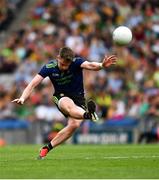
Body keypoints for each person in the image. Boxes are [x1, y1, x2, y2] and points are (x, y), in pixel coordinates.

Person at [12, 46, 117, 159]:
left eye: (67, 65)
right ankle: (88, 115)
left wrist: (101, 65)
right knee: (69, 106)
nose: (64, 67)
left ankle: (46, 148)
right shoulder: (49, 67)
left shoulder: (76, 62)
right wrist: (23, 98)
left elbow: (90, 65)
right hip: (61, 97)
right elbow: (33, 84)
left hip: (79, 98)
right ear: (58, 57)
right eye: (62, 64)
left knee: (74, 125)